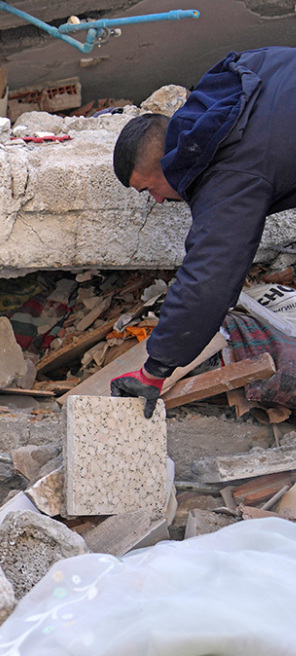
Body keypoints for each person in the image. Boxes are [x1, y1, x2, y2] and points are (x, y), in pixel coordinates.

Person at [110, 46, 296, 417]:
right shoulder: (227, 88)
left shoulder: (228, 172)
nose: (158, 202)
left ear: (165, 163)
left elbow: (210, 275)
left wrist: (155, 371)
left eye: (148, 189)